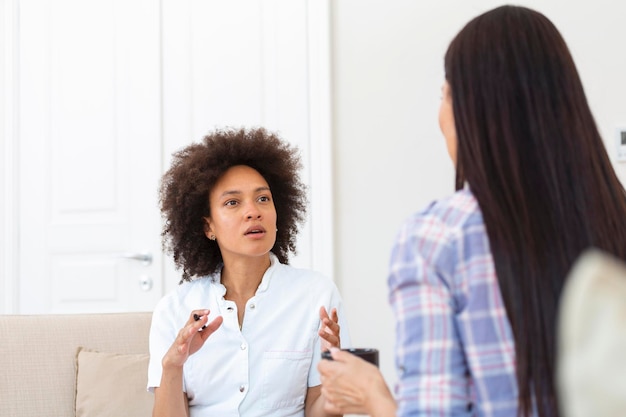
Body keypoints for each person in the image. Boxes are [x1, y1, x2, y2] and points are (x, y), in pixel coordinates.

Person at [318, 5, 626, 417]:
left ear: (472, 111)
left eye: (444, 94)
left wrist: (373, 395)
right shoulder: (615, 216)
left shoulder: (437, 238)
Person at [148, 127, 351, 417]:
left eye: (263, 199)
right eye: (233, 202)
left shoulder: (316, 296)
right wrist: (173, 365)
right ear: (208, 227)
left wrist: (336, 380)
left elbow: (320, 411)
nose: (253, 211)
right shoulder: (174, 309)